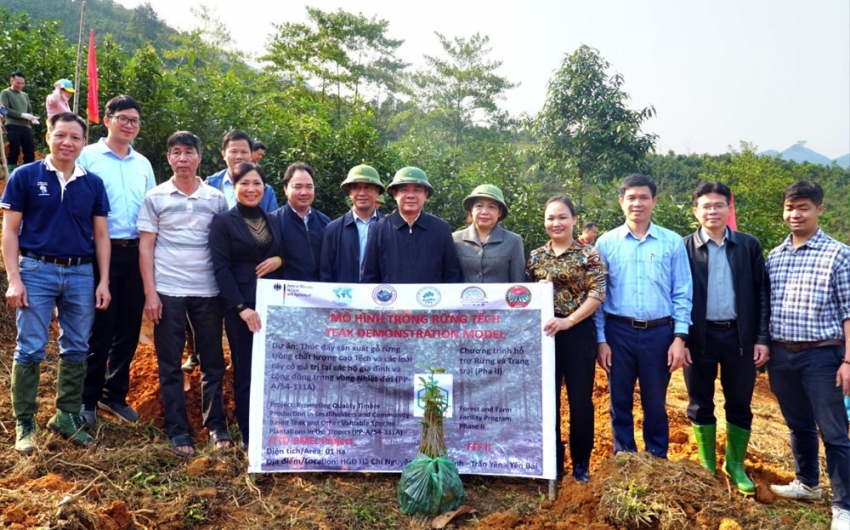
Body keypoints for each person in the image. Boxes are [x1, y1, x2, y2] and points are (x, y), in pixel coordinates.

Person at [1, 112, 111, 453]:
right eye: (61, 135)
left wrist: (103, 280)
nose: (68, 142)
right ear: (48, 136)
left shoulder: (92, 183)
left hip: (80, 272)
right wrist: (14, 279)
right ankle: (26, 422)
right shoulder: (25, 176)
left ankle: (66, 416)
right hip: (36, 270)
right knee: (31, 346)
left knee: (77, 346)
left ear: (83, 142)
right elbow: (9, 230)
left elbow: (102, 235)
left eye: (75, 137)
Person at [137, 131, 231, 457]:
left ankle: (216, 425)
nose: (182, 159)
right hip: (168, 291)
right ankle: (178, 431)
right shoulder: (155, 197)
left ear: (200, 157)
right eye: (175, 152)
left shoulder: (216, 199)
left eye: (188, 152)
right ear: (168, 158)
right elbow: (145, 247)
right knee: (169, 364)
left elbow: (222, 245)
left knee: (212, 363)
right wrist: (151, 294)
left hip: (208, 291)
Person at [765, 181, 849, 530]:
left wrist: (848, 361)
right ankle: (808, 485)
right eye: (790, 207)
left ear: (819, 210)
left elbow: (849, 311)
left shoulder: (838, 254)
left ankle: (844, 505)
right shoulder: (775, 256)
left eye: (803, 207)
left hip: (822, 355)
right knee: (798, 424)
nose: (795, 214)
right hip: (781, 354)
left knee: (833, 431)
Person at [595, 173, 693, 459]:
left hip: (659, 334)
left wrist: (680, 338)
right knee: (619, 400)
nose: (637, 203)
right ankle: (624, 457)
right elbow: (598, 297)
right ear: (621, 202)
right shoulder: (606, 243)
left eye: (643, 198)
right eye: (631, 198)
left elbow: (683, 293)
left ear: (654, 202)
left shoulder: (671, 243)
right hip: (618, 332)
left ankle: (656, 457)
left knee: (655, 402)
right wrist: (601, 339)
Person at [682, 181, 770, 496]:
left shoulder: (748, 245)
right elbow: (676, 295)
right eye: (706, 205)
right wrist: (681, 340)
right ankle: (707, 465)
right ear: (696, 210)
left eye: (719, 205)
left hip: (740, 338)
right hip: (699, 338)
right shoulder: (684, 248)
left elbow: (761, 294)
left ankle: (735, 465)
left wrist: (761, 338)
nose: (713, 211)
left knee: (739, 403)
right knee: (699, 402)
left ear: (728, 208)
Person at [78, 95, 156, 426]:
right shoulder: (88, 156)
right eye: (122, 118)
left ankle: (115, 394)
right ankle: (88, 398)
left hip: (136, 251)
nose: (128, 125)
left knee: (128, 326)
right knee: (101, 326)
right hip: (100, 251)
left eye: (134, 121)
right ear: (107, 119)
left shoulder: (143, 164)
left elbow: (153, 208)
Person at [526, 195, 605, 482]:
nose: (556, 223)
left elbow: (598, 294)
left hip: (578, 332)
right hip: (545, 335)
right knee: (548, 401)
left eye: (562, 217)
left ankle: (581, 464)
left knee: (580, 400)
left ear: (573, 220)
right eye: (550, 218)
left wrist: (568, 320)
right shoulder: (536, 256)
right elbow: (525, 296)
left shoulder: (588, 254)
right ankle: (553, 463)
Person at [210, 162, 283, 448]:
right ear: (234, 187)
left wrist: (279, 260)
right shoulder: (223, 222)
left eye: (256, 183)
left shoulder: (273, 219)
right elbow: (221, 268)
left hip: (272, 304)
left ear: (264, 188)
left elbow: (282, 253)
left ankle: (272, 427)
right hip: (242, 309)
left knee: (270, 369)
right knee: (245, 371)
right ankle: (249, 433)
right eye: (244, 183)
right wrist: (241, 308)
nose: (251, 189)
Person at [362, 167, 462, 283]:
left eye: (417, 190)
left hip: (430, 300)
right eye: (404, 190)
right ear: (395, 194)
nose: (410, 195)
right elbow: (369, 277)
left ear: (426, 194)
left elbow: (452, 275)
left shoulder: (440, 228)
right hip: (392, 300)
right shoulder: (378, 229)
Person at [320, 164, 385, 282]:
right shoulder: (333, 229)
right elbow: (326, 273)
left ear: (377, 191)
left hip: (379, 297)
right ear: (349, 192)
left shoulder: (388, 228)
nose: (362, 193)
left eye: (368, 187)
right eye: (356, 188)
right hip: (344, 297)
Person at [453, 184, 525, 283]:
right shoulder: (455, 239)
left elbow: (518, 281)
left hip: (502, 299)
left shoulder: (513, 240)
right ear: (471, 209)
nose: (484, 212)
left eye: (491, 207)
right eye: (479, 206)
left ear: (499, 212)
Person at [271, 162, 330, 281]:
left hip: (319, 294)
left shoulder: (326, 223)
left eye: (309, 187)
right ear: (285, 189)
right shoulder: (272, 222)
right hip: (286, 294)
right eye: (297, 187)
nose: (304, 192)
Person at [206, 131, 277, 211]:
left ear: (250, 155)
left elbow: (273, 221)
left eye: (244, 152)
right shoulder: (210, 185)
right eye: (233, 151)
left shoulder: (266, 191)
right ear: (224, 155)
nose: (239, 156)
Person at [1, 72, 39, 170]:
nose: (20, 85)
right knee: (15, 148)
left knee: (29, 149)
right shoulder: (6, 93)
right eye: (18, 83)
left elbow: (29, 109)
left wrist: (31, 117)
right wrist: (22, 115)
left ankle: (28, 171)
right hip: (12, 124)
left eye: (22, 83)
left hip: (26, 126)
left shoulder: (25, 95)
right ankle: (10, 171)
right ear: (11, 81)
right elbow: (5, 109)